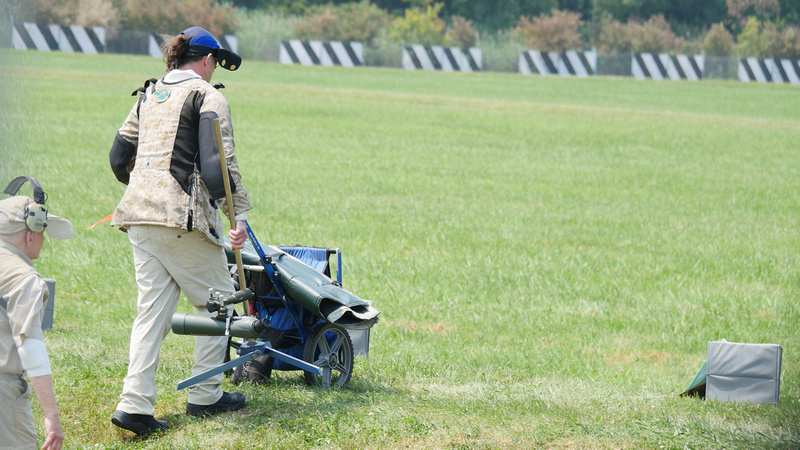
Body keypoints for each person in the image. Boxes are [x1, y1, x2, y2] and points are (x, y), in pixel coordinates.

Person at [108, 26, 253, 437]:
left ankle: (134, 405)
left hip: (138, 217)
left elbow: (120, 158)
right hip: (180, 220)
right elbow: (216, 164)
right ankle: (206, 395)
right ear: (208, 61)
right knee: (221, 303)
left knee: (151, 315)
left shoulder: (149, 94)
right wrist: (236, 215)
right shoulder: (209, 96)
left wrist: (146, 191)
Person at [0, 179, 74, 450]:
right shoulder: (24, 279)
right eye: (43, 234)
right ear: (30, 234)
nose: (44, 242)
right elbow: (30, 346)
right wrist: (52, 418)